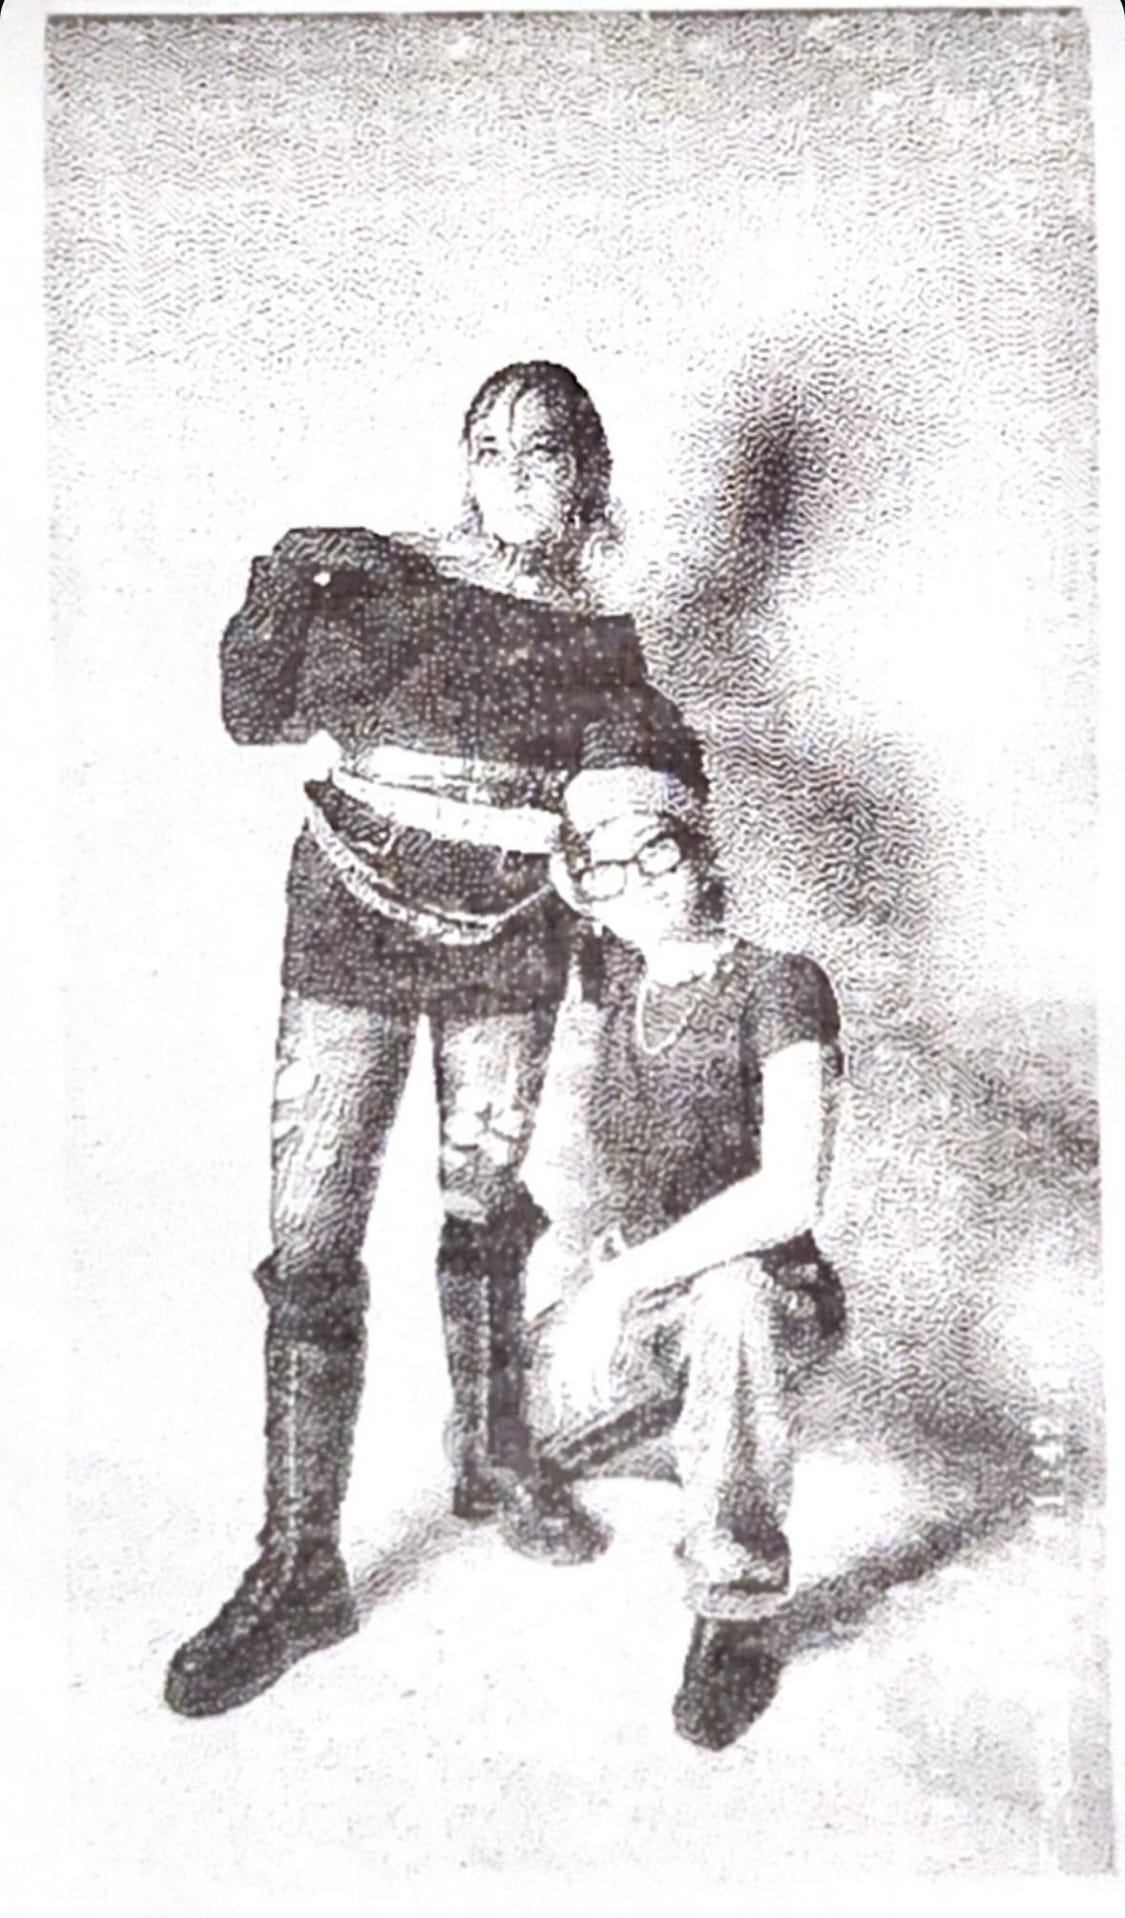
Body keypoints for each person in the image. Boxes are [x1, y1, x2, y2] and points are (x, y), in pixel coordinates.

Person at [165, 362, 675, 1718]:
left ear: (587, 474)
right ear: (465, 467)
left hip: (509, 939)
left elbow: (641, 785)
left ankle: (496, 1455)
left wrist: (629, 916)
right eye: (490, 448)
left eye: (542, 450)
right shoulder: (391, 586)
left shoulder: (602, 637)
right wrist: (288, 578)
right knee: (313, 1225)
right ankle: (299, 1565)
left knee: (484, 1198)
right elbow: (253, 711)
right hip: (352, 923)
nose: (515, 473)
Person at [511, 722, 847, 1750]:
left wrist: (615, 1290)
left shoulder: (780, 983)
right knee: (499, 1445)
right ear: (586, 892)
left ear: (700, 851)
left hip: (768, 1294)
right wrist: (605, 1291)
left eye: (655, 851)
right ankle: (686, 1427)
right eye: (606, 870)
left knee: (730, 1299)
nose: (639, 885)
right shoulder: (610, 980)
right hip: (643, 1294)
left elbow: (788, 1196)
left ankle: (734, 1609)